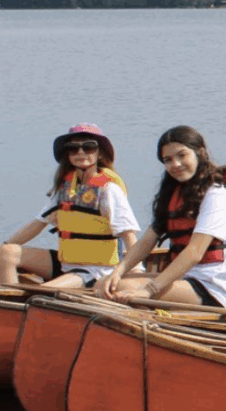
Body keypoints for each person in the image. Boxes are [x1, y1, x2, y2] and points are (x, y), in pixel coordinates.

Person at [95, 125, 226, 308]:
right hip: (183, 279)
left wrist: (148, 290)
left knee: (121, 290)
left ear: (200, 152)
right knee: (105, 284)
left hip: (212, 287)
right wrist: (117, 271)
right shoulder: (173, 192)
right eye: (168, 160)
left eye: (182, 155)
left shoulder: (217, 193)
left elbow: (194, 253)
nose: (176, 165)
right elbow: (147, 241)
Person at [0, 123, 140, 290]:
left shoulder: (109, 190)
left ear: (100, 152)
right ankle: (10, 301)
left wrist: (135, 272)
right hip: (64, 264)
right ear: (67, 154)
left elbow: (129, 235)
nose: (80, 152)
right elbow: (38, 223)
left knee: (43, 292)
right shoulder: (64, 188)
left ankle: (21, 307)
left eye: (88, 147)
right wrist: (5, 245)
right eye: (73, 148)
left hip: (95, 271)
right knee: (7, 253)